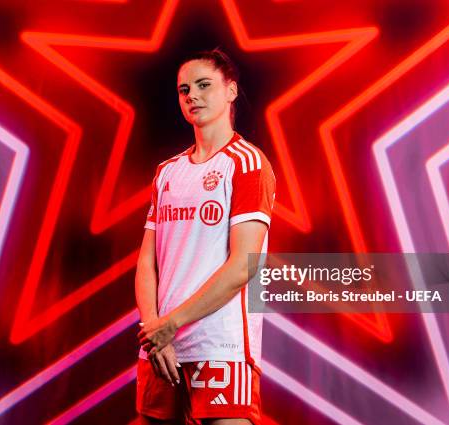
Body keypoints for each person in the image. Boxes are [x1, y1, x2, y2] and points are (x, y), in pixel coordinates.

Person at [135, 48, 276, 425]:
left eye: (203, 85)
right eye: (184, 90)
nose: (192, 95)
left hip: (220, 344)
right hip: (161, 344)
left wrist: (171, 324)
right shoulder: (167, 172)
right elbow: (146, 263)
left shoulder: (247, 164)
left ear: (230, 91)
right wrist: (153, 330)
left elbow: (242, 268)